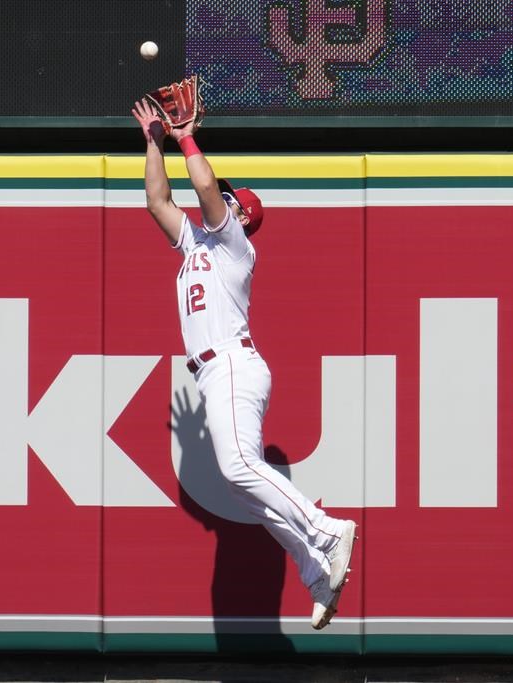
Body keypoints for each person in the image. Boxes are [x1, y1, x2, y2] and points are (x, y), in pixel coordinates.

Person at [131, 98, 358, 630]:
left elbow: (206, 190)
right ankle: (316, 570)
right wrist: (153, 141)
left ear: (241, 215)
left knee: (236, 469)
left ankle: (327, 531)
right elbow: (157, 201)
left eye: (229, 201)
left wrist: (187, 138)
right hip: (214, 374)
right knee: (244, 487)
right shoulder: (194, 245)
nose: (216, 199)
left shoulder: (234, 244)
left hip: (233, 364)